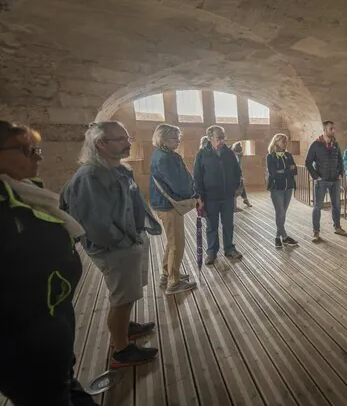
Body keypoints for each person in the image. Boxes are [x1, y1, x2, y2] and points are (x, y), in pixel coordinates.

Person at [0, 121, 98, 405]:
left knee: (63, 388)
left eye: (36, 149)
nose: (38, 157)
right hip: (22, 341)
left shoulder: (27, 193)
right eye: (25, 150)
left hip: (51, 321)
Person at [61, 121, 161, 369]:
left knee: (129, 293)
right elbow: (95, 223)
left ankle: (125, 328)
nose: (128, 142)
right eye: (121, 139)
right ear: (101, 144)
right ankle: (121, 350)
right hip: (115, 248)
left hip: (128, 242)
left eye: (128, 137)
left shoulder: (118, 169)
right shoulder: (91, 176)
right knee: (122, 298)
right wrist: (125, 242)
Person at [149, 124, 198, 295]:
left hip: (165, 203)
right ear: (162, 139)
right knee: (177, 244)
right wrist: (193, 193)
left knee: (172, 242)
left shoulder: (164, 154)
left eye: (178, 137)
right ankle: (173, 283)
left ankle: (167, 274)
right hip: (169, 205)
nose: (177, 141)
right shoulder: (165, 158)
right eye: (173, 138)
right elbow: (178, 184)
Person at [194, 125, 243, 265]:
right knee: (212, 226)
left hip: (227, 196)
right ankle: (211, 252)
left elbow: (237, 171)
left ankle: (229, 249)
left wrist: (234, 188)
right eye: (218, 137)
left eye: (223, 137)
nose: (222, 140)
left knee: (228, 224)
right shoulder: (202, 154)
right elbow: (197, 177)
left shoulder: (229, 153)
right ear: (210, 138)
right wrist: (200, 197)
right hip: (210, 197)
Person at [304, 120, 347, 242]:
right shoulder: (316, 145)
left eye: (334, 128)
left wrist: (341, 173)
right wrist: (316, 177)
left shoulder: (336, 144)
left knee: (336, 205)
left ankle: (337, 227)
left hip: (335, 180)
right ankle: (316, 231)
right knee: (318, 206)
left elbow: (340, 160)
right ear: (324, 130)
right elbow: (307, 162)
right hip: (321, 181)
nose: (333, 130)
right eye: (331, 129)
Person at [266, 133, 299, 249]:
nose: (285, 144)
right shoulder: (270, 156)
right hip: (277, 189)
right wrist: (287, 170)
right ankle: (284, 237)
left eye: (286, 141)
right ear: (276, 142)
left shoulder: (288, 155)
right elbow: (273, 174)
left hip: (288, 187)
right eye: (283, 141)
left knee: (283, 213)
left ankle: (277, 237)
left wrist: (282, 171)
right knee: (280, 212)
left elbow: (295, 171)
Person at [232, 142, 252, 209]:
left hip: (238, 172)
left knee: (241, 186)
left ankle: (245, 200)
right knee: (238, 187)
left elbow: (238, 165)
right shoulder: (230, 154)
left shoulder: (239, 155)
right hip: (234, 173)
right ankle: (244, 201)